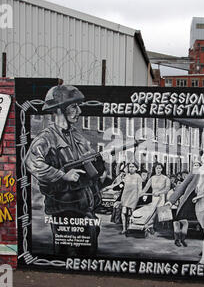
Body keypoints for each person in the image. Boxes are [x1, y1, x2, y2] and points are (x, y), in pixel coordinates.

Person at [25, 85, 107, 256]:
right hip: (63, 208)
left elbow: (91, 168)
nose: (78, 111)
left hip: (85, 206)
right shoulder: (47, 138)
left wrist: (98, 165)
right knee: (67, 252)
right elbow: (32, 163)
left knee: (89, 249)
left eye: (78, 106)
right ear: (59, 110)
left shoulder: (77, 136)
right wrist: (63, 175)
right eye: (73, 107)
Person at [166, 149, 204, 265]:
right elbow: (182, 187)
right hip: (198, 206)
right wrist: (171, 201)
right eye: (203, 158)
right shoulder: (194, 173)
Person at [140, 163, 171, 232]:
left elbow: (167, 189)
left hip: (162, 198)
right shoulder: (152, 178)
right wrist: (140, 193)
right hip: (154, 198)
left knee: (159, 212)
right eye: (157, 168)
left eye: (160, 168)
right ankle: (150, 226)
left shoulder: (166, 178)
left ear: (162, 169)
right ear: (154, 169)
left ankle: (155, 227)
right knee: (152, 211)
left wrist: (159, 193)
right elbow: (145, 188)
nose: (158, 170)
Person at [120, 162, 142, 234]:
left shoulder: (138, 177)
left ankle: (130, 228)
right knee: (123, 212)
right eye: (130, 167)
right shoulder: (126, 176)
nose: (131, 168)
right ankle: (124, 229)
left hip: (133, 197)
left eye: (133, 167)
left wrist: (138, 197)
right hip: (125, 196)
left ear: (136, 168)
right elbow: (123, 186)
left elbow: (140, 189)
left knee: (131, 213)